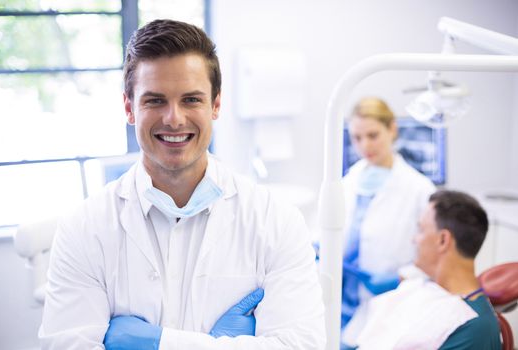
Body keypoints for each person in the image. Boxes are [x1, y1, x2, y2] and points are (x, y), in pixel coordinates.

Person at [38, 19, 325, 349]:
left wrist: (162, 342)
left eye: (191, 99)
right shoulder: (84, 228)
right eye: (155, 100)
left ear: (215, 105)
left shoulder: (276, 221)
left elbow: (302, 346)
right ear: (129, 108)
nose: (174, 118)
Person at [340, 97, 436, 347]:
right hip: (341, 302)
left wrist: (400, 278)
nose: (365, 145)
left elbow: (435, 258)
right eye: (357, 138)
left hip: (389, 304)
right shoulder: (348, 182)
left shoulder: (419, 190)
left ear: (392, 129)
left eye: (373, 135)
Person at [354, 190, 501, 349]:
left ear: (443, 240)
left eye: (421, 230)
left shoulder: (473, 329)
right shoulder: (426, 289)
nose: (414, 239)